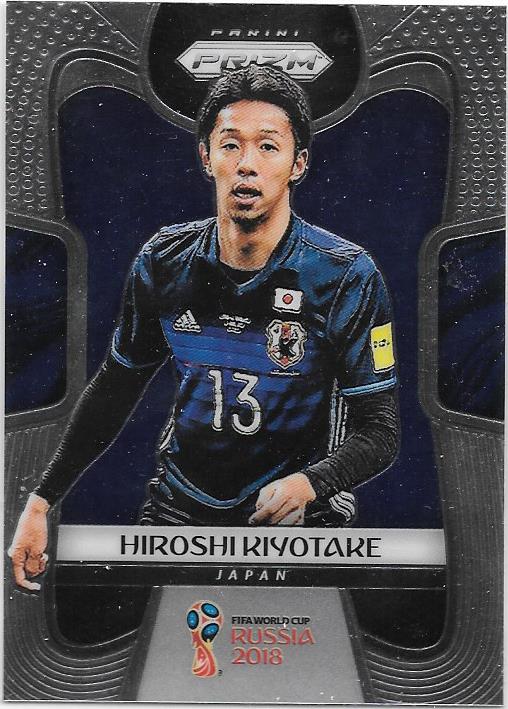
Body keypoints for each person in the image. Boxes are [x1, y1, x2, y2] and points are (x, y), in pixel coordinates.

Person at [9, 66, 400, 590]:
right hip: (179, 515)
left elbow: (380, 432)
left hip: (297, 521)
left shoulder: (345, 274)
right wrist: (40, 503)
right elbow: (115, 388)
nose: (246, 164)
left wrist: (310, 484)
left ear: (297, 164)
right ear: (206, 156)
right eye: (230, 145)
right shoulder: (165, 260)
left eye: (268, 147)